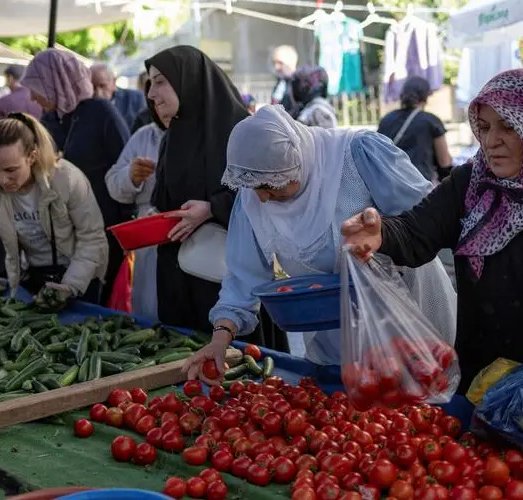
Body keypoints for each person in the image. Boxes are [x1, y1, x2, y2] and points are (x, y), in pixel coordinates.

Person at [183, 105, 456, 383]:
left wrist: (381, 238)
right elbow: (243, 276)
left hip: (406, 317)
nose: (263, 198)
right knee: (356, 413)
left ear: (298, 164)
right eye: (256, 188)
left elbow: (426, 220)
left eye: (272, 186)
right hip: (335, 333)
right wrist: (220, 338)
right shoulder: (253, 193)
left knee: (424, 398)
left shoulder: (358, 157)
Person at [342, 69, 523, 392]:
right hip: (481, 380)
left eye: (507, 126)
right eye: (483, 127)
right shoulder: (468, 184)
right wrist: (381, 233)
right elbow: (416, 231)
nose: (491, 141)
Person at [145, 45, 283, 344]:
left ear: (188, 79)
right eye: (150, 83)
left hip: (227, 277)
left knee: (243, 370)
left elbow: (271, 192)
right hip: (180, 276)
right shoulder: (173, 135)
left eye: (159, 81)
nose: (151, 93)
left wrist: (211, 208)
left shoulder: (241, 130)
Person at [0, 114, 108, 304]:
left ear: (32, 156)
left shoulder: (67, 178)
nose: (2, 179)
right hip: (33, 275)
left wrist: (71, 284)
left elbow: (92, 238)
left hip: (81, 274)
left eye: (11, 170)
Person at [21, 49, 131, 305]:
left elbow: (123, 165)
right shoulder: (49, 119)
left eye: (37, 87)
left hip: (103, 221)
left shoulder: (101, 112)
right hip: (62, 223)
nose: (32, 97)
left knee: (96, 294)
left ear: (56, 81)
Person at [105, 117, 165, 321]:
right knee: (149, 305)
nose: (156, 97)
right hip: (150, 234)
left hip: (193, 233)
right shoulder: (145, 136)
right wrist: (130, 176)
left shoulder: (203, 132)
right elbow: (113, 182)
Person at [378, 75, 452, 183]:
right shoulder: (431, 121)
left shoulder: (386, 120)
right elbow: (444, 161)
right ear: (426, 96)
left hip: (389, 185)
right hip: (419, 186)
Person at [91, 63, 147, 132]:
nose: (98, 93)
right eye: (93, 87)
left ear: (114, 82)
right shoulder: (84, 105)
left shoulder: (136, 99)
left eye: (102, 86)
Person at [271, 45, 300, 118]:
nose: (276, 67)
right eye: (275, 63)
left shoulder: (299, 85)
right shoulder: (280, 82)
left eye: (280, 63)